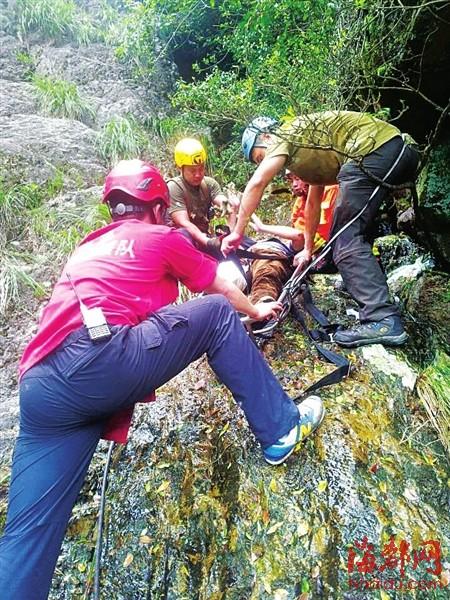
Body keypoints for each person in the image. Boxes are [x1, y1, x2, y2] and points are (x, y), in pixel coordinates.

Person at [0, 159, 325, 600]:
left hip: (40, 386)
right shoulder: (161, 235)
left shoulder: (86, 246)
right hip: (102, 359)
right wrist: (256, 309)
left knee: (26, 536)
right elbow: (216, 288)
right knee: (214, 316)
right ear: (156, 206)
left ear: (113, 208)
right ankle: (282, 428)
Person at [221, 112, 419, 347]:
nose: (263, 163)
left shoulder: (284, 134)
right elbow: (313, 204)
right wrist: (306, 249)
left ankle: (383, 318)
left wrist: (237, 233)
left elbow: (257, 183)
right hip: (393, 150)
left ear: (266, 136)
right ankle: (370, 295)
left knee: (345, 237)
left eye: (259, 157)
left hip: (375, 151)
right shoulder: (308, 149)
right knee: (351, 229)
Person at [248, 171, 338, 304]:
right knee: (264, 267)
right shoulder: (300, 203)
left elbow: (299, 236)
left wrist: (262, 227)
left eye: (298, 179)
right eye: (291, 180)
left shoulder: (331, 190)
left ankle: (263, 302)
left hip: (308, 250)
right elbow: (298, 233)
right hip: (280, 250)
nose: (294, 185)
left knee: (268, 269)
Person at [168, 137, 246, 288]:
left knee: (239, 252)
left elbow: (221, 201)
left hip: (204, 242)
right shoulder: (174, 188)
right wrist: (209, 243)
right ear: (180, 168)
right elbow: (183, 223)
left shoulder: (208, 184)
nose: (198, 174)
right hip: (183, 247)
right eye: (192, 170)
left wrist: (229, 205)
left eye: (201, 169)